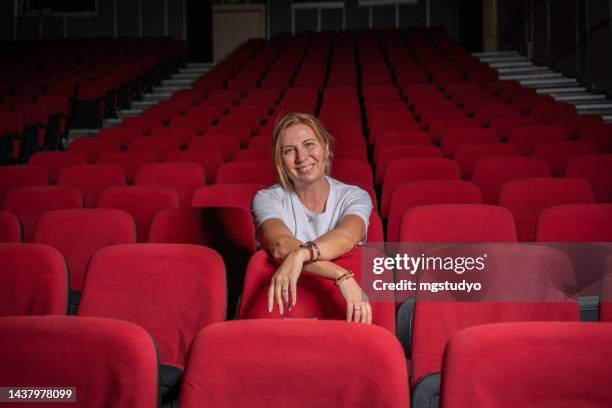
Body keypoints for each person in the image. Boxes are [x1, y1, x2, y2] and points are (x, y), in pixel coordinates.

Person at [252, 112, 373, 324]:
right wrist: (340, 274)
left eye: (309, 144)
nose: (301, 157)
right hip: (287, 310)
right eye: (289, 151)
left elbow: (346, 236)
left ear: (325, 148)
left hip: (342, 308)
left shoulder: (355, 196)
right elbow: (281, 245)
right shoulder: (266, 198)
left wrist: (299, 256)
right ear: (280, 160)